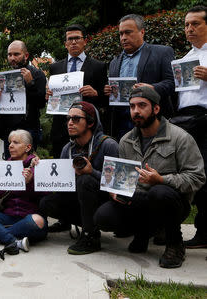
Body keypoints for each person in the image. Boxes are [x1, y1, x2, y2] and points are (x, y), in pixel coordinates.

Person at [94, 86, 205, 268]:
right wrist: (114, 190)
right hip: (138, 200)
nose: (136, 111)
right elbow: (120, 176)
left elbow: (197, 177)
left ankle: (174, 244)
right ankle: (143, 232)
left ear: (156, 109)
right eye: (132, 106)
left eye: (142, 106)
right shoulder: (126, 141)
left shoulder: (180, 138)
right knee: (103, 217)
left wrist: (161, 179)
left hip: (172, 202)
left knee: (159, 193)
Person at [39, 102, 119, 254]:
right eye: (68, 118)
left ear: (90, 122)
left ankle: (91, 237)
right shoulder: (67, 148)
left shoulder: (108, 145)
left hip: (103, 202)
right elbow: (60, 182)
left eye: (76, 119)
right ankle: (69, 223)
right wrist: (40, 172)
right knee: (45, 202)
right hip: (79, 200)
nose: (70, 122)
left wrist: (92, 172)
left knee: (85, 180)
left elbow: (116, 184)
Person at [0, 129, 48, 253]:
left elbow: (45, 199)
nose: (10, 146)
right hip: (7, 217)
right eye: (10, 142)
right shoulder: (4, 167)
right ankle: (14, 241)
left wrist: (29, 182)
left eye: (16, 142)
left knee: (37, 221)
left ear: (28, 147)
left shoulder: (37, 165)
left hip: (28, 218)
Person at [104, 14, 175, 140]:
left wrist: (152, 88)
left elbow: (172, 83)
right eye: (121, 34)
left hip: (153, 123)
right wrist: (108, 91)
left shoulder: (162, 52)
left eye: (128, 33)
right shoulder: (114, 62)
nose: (123, 38)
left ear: (142, 32)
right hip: (122, 125)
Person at [173, 5, 207, 249]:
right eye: (186, 25)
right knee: (190, 176)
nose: (189, 29)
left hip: (206, 118)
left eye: (195, 24)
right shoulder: (184, 58)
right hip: (185, 121)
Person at [49, 24, 108, 157]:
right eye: (70, 39)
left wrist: (96, 93)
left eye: (77, 38)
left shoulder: (99, 66)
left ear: (84, 41)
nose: (73, 42)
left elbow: (106, 99)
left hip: (87, 128)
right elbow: (51, 96)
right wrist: (49, 95)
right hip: (61, 127)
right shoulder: (55, 67)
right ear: (65, 43)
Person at [0, 40, 46, 158]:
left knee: (28, 167)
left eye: (16, 54)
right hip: (9, 130)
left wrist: (30, 83)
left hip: (29, 129)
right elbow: (1, 105)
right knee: (12, 168)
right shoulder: (4, 76)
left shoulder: (37, 74)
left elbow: (41, 103)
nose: (12, 58)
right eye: (9, 54)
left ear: (26, 55)